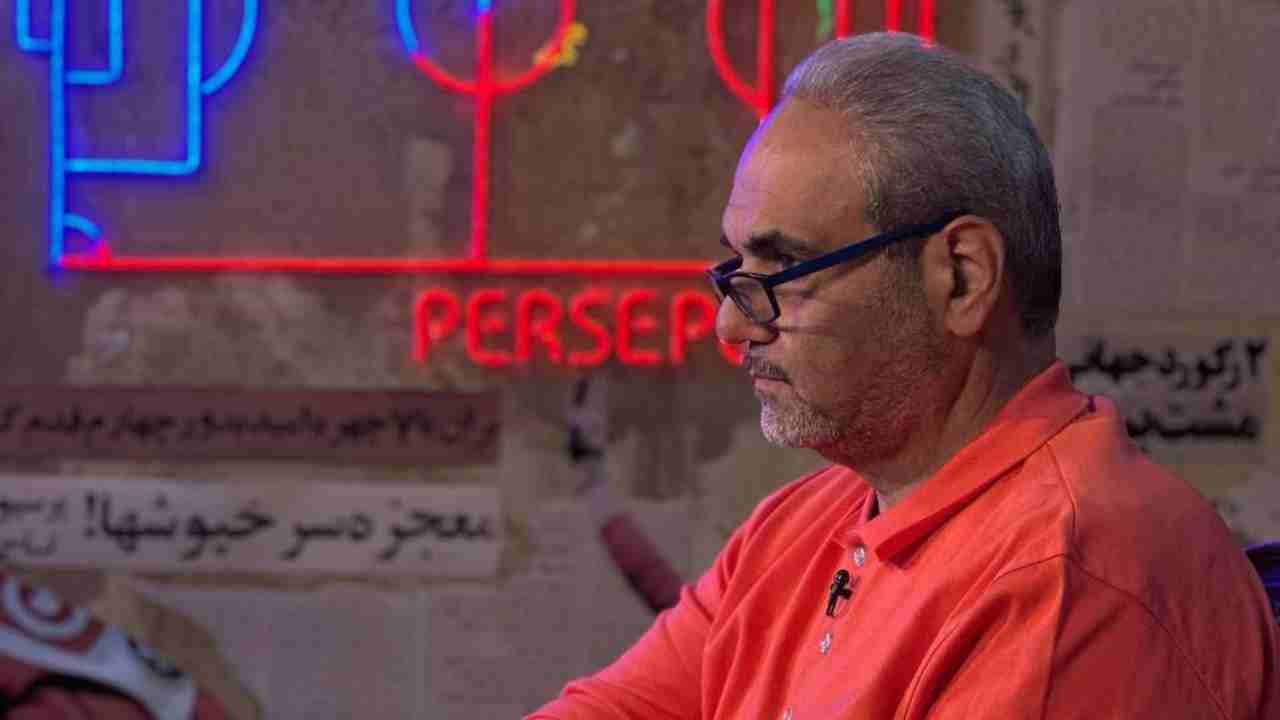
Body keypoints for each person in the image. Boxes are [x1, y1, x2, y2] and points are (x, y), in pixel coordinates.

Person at [528, 32, 1280, 719]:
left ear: (961, 276)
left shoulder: (1070, 583)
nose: (731, 325)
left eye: (783, 270)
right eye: (735, 271)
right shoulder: (798, 525)